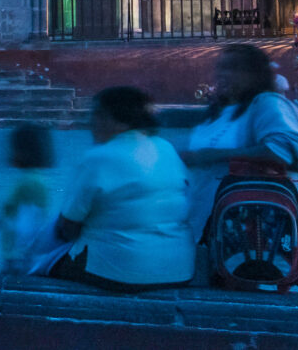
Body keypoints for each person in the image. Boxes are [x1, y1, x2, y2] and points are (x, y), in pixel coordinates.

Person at [183, 44, 298, 290]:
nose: (223, 74)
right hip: (202, 225)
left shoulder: (267, 104)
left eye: (234, 68)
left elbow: (286, 151)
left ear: (255, 74)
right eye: (221, 67)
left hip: (242, 232)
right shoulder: (220, 111)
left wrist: (213, 156)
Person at [43, 86, 192, 292]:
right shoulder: (165, 148)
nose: (91, 123)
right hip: (179, 269)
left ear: (110, 118)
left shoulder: (99, 157)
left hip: (120, 271)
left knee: (40, 265)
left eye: (96, 114)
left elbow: (68, 224)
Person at [0, 123, 59, 274]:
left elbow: (27, 222)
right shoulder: (36, 179)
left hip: (17, 256)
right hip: (21, 254)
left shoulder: (28, 182)